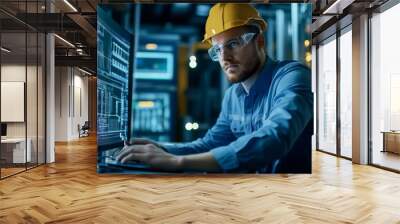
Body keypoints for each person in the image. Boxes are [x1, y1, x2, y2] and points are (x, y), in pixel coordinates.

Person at [116, 3, 313, 173]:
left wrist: (178, 162)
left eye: (233, 44)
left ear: (259, 41)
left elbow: (275, 137)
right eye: (217, 49)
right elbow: (209, 144)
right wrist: (161, 148)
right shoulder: (233, 96)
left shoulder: (292, 76)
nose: (224, 58)